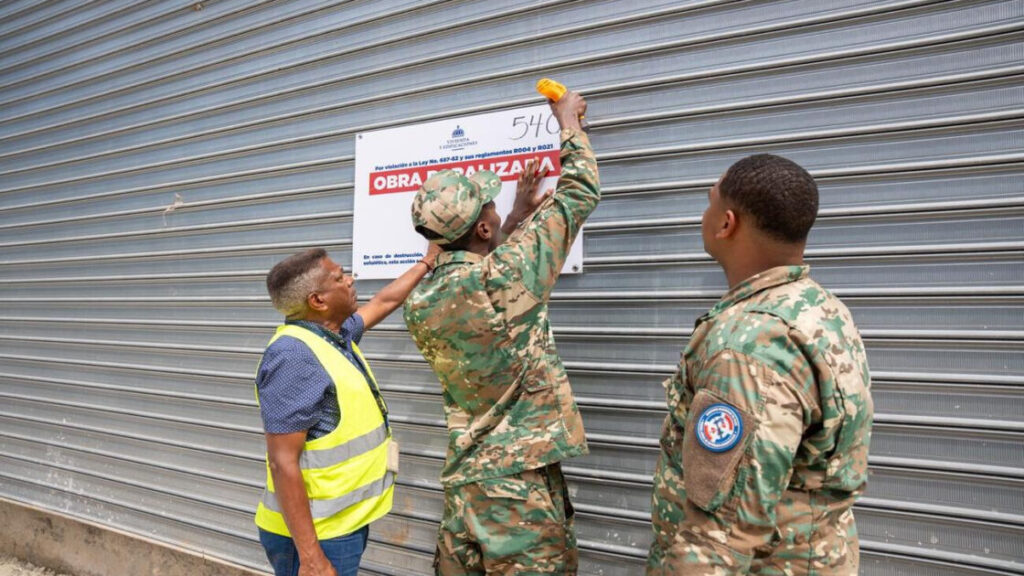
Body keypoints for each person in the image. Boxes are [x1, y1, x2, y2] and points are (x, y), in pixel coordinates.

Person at [647, 154, 873, 575]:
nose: (704, 213)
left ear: (726, 223)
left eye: (709, 202)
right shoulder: (819, 308)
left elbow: (720, 538)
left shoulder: (747, 348)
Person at [402, 91, 599, 574]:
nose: (494, 209)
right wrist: (568, 123)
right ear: (485, 230)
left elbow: (483, 283)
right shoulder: (504, 276)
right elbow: (578, 192)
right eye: (488, 208)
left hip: (466, 487)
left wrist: (511, 217)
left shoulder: (420, 303)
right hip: (520, 493)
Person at [254, 245, 439, 576]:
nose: (351, 280)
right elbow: (282, 463)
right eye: (340, 277)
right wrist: (310, 557)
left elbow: (383, 302)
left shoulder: (331, 335)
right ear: (318, 301)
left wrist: (427, 262)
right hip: (314, 536)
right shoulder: (294, 357)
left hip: (340, 525)